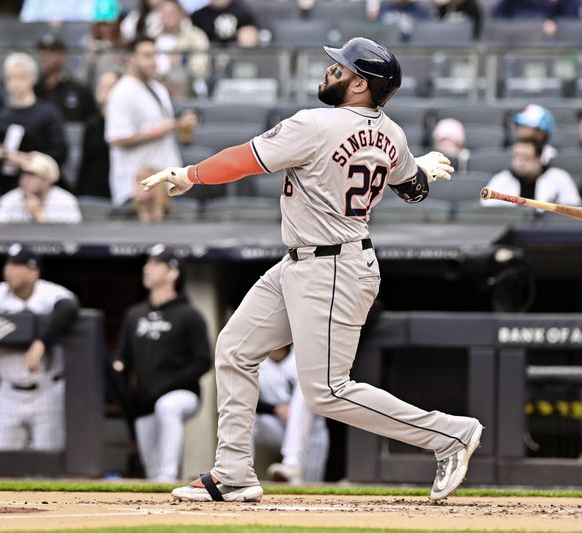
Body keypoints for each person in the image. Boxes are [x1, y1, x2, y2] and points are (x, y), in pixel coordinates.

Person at [141, 36, 483, 503]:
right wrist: (416, 164)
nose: (330, 71)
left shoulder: (314, 123)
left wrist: (190, 174)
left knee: (326, 391)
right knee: (236, 348)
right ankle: (234, 472)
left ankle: (450, 435)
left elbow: (244, 160)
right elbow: (414, 190)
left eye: (340, 69)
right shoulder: (394, 134)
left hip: (334, 265)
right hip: (304, 262)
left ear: (360, 84)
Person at [114, 244, 212, 483]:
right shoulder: (135, 314)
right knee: (151, 468)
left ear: (173, 272)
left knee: (167, 407)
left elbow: (203, 361)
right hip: (145, 400)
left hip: (182, 394)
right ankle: (161, 482)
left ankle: (169, 474)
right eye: (147, 263)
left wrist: (166, 386)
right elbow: (121, 357)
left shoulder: (190, 314)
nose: (147, 268)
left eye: (155, 264)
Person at [0, 243, 79, 451]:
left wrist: (41, 342)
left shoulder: (48, 293)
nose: (9, 270)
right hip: (8, 392)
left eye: (17, 265)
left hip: (46, 391)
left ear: (33, 271)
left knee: (47, 462)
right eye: (8, 263)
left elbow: (69, 307)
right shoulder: (0, 294)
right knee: (3, 464)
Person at [105, 36, 196, 208]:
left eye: (155, 55)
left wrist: (178, 125)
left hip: (166, 183)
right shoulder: (122, 92)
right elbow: (116, 139)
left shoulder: (158, 88)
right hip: (136, 189)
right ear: (131, 58)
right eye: (147, 56)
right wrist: (158, 131)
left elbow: (165, 127)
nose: (153, 61)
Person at [254, 345, 329, 484]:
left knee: (309, 485)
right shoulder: (256, 359)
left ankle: (291, 466)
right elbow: (245, 399)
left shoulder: (303, 357)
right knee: (249, 421)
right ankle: (238, 472)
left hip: (311, 431)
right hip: (274, 425)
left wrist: (294, 412)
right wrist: (275, 409)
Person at [0, 52, 67, 196]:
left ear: (33, 78)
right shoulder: (2, 116)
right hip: (4, 185)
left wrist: (28, 160)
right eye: (11, 78)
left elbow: (59, 153)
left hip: (39, 187)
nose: (16, 83)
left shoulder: (47, 114)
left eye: (22, 77)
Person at [480, 137, 581, 207]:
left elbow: (573, 208)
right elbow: (487, 211)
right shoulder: (501, 180)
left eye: (526, 158)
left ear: (540, 158)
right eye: (517, 157)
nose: (520, 163)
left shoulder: (559, 178)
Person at [0, 151, 81, 223]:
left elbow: (72, 237)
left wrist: (39, 215)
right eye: (23, 173)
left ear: (47, 179)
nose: (25, 179)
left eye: (32, 175)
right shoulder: (9, 200)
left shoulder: (66, 201)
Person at [34, 35, 97, 123]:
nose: (45, 56)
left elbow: (91, 121)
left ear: (63, 55)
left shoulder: (80, 90)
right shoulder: (34, 90)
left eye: (52, 51)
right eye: (43, 52)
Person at [76, 70, 119, 198]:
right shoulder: (92, 124)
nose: (104, 90)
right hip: (94, 187)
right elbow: (85, 162)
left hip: (117, 185)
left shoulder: (125, 126)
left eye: (110, 87)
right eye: (101, 86)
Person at [491, 0, 579, 37]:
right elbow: (498, 17)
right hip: (521, 44)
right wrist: (540, 24)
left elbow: (573, 18)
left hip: (556, 49)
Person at [190, 0, 259, 48]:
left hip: (236, 58)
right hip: (207, 60)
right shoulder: (198, 16)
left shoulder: (243, 12)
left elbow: (251, 36)